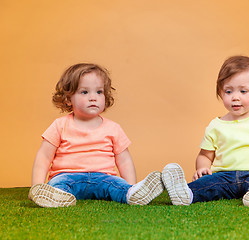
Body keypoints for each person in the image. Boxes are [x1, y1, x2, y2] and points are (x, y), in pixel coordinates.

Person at [162, 55, 249, 207]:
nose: (235, 97)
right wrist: (203, 168)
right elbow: (205, 155)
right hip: (222, 177)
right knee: (206, 184)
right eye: (228, 92)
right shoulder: (215, 126)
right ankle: (185, 193)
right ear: (220, 92)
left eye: (243, 91)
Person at [29, 63, 163, 208]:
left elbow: (124, 161)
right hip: (67, 176)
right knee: (57, 185)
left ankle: (132, 193)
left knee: (117, 186)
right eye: (84, 92)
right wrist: (37, 185)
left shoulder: (113, 128)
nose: (93, 98)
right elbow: (44, 157)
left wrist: (131, 184)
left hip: (104, 178)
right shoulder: (59, 125)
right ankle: (52, 196)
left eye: (99, 92)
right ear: (68, 99)